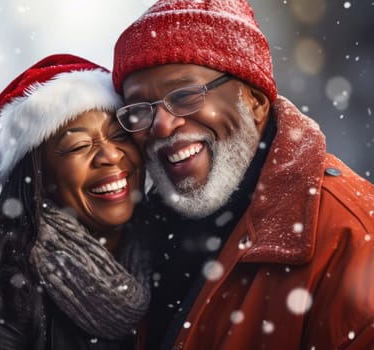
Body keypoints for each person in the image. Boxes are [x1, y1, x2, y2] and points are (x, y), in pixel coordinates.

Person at [111, 1, 374, 349]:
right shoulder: (132, 237)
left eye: (185, 95)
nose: (161, 125)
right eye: (140, 109)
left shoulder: (351, 236)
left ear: (254, 100)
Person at [0, 54, 151, 350]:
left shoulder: (167, 245)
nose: (112, 155)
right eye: (79, 145)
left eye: (120, 135)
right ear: (37, 176)